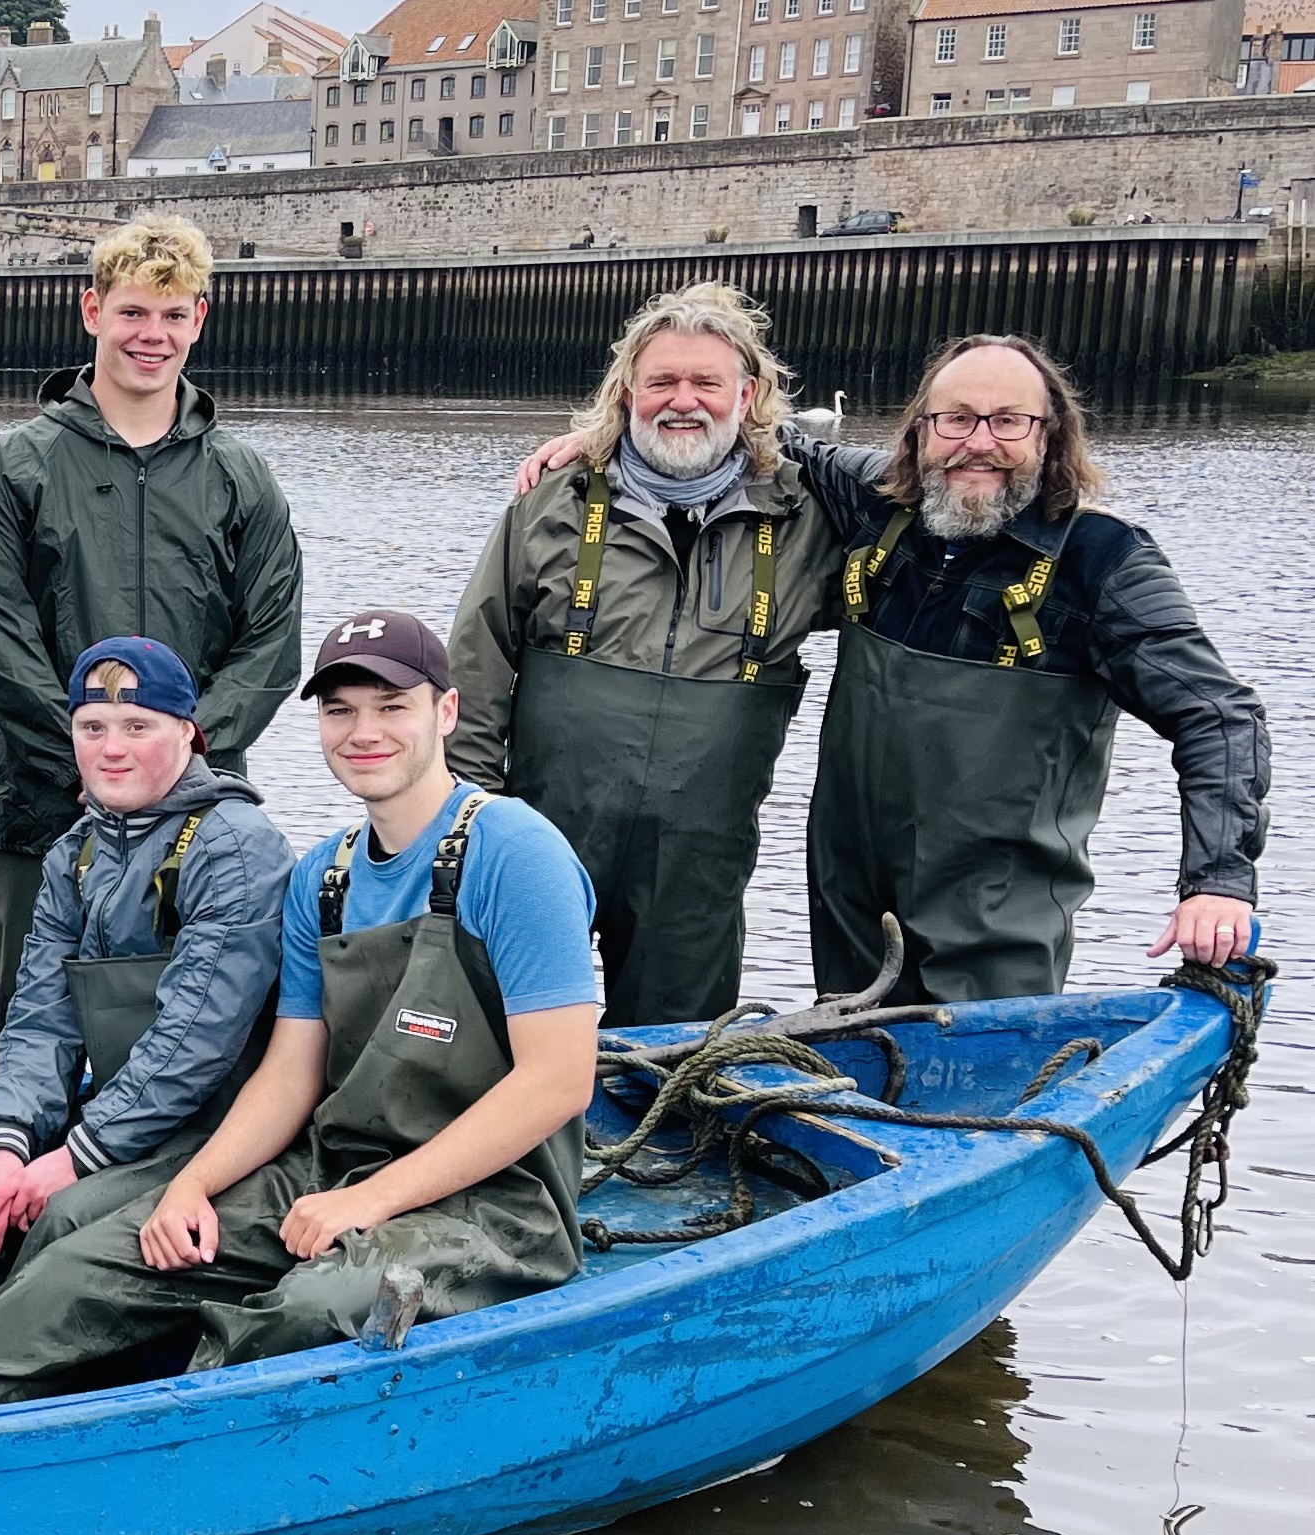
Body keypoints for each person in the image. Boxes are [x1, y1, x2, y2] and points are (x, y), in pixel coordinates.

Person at [0, 611, 600, 1414]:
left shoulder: (514, 850)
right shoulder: (325, 874)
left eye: (393, 706)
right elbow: (290, 1075)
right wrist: (193, 1186)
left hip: (497, 1200)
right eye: (341, 709)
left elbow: (557, 1083)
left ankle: (154, 1444)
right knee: (86, 1269)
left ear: (446, 713)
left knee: (307, 1312)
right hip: (326, 1166)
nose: (365, 731)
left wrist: (369, 1201)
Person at [0, 638, 287, 1418]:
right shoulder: (74, 854)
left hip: (219, 1128)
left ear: (188, 732)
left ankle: (51, 1410)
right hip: (132, 1117)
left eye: (138, 726)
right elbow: (40, 1021)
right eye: (92, 727)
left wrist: (76, 1158)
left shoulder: (232, 846)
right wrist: (9, 1141)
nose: (111, 748)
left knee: (65, 1214)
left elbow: (193, 1042)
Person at [794, 333, 1267, 1000]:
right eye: (956, 418)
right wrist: (597, 444)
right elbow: (784, 443)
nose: (978, 442)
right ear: (921, 431)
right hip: (852, 913)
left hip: (994, 937)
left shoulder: (1105, 564)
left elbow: (1219, 717)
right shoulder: (880, 507)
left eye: (1009, 421)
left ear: (1050, 435)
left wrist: (1218, 883)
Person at [446, 283, 850, 1027]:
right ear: (627, 390)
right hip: (542, 838)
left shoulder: (807, 521)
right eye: (661, 380)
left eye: (707, 382)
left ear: (748, 393)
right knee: (497, 1039)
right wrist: (468, 821)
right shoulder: (551, 501)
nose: (683, 400)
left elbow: (923, 488)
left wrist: (790, 444)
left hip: (697, 868)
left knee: (670, 1070)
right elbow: (475, 669)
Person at [0, 213, 302, 1046]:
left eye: (173, 314)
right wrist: (91, 758)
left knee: (206, 1031)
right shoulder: (14, 468)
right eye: (134, 313)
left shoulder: (241, 478)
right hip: (45, 807)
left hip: (203, 809)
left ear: (199, 320)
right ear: (92, 311)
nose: (154, 335)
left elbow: (273, 641)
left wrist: (178, 758)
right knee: (34, 1024)